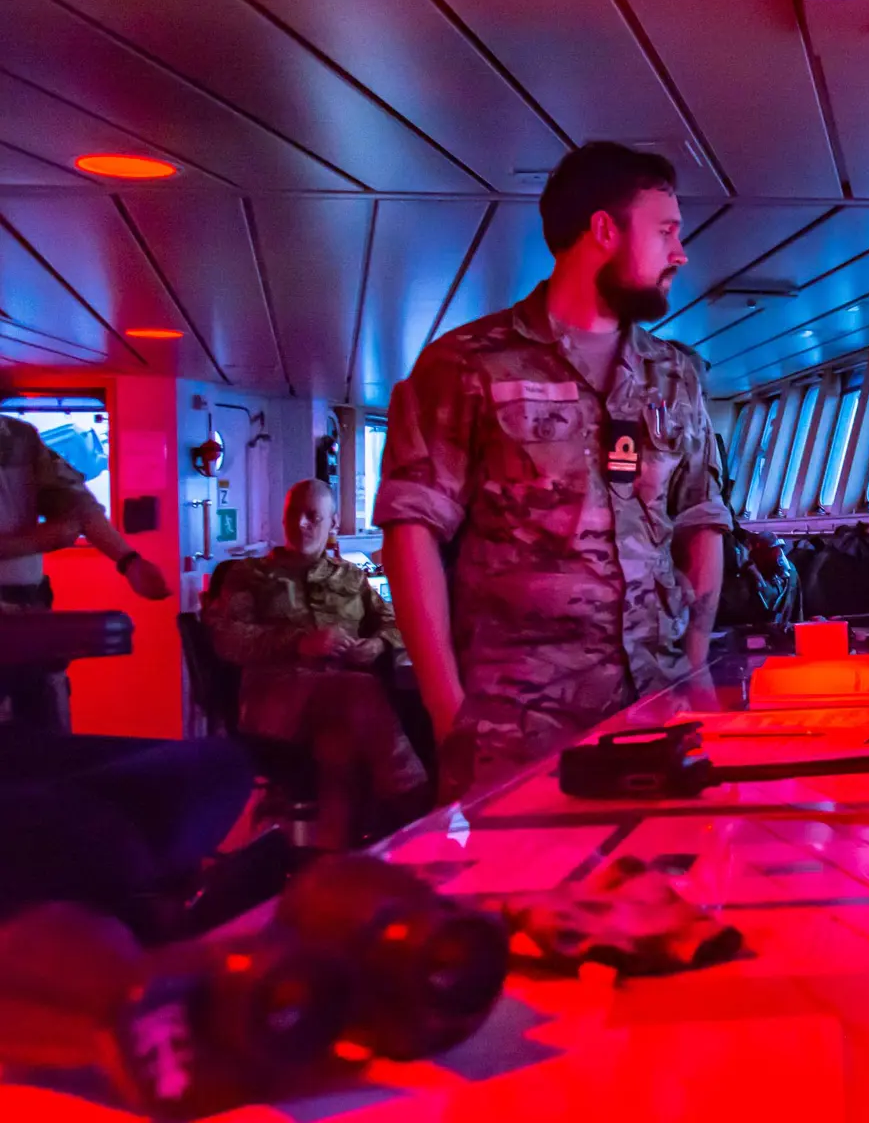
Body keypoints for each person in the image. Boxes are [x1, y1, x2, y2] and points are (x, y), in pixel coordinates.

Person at [376, 143, 730, 800]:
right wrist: (446, 708)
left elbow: (700, 516)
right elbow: (409, 530)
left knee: (664, 892)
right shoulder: (467, 365)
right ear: (603, 231)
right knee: (519, 902)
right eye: (666, 232)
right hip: (518, 727)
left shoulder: (676, 374)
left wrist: (696, 663)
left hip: (657, 708)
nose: (680, 253)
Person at [203, 480, 427, 849]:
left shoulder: (353, 578)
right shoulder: (251, 575)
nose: (302, 524)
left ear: (333, 523)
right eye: (294, 515)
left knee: (339, 744)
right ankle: (414, 803)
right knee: (359, 691)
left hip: (340, 709)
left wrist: (377, 645)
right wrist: (299, 643)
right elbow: (227, 639)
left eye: (313, 516)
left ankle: (331, 868)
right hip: (274, 705)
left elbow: (395, 621)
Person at [0, 414, 169, 730]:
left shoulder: (17, 437)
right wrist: (34, 541)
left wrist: (129, 561)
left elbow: (75, 503)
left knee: (46, 738)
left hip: (29, 619)